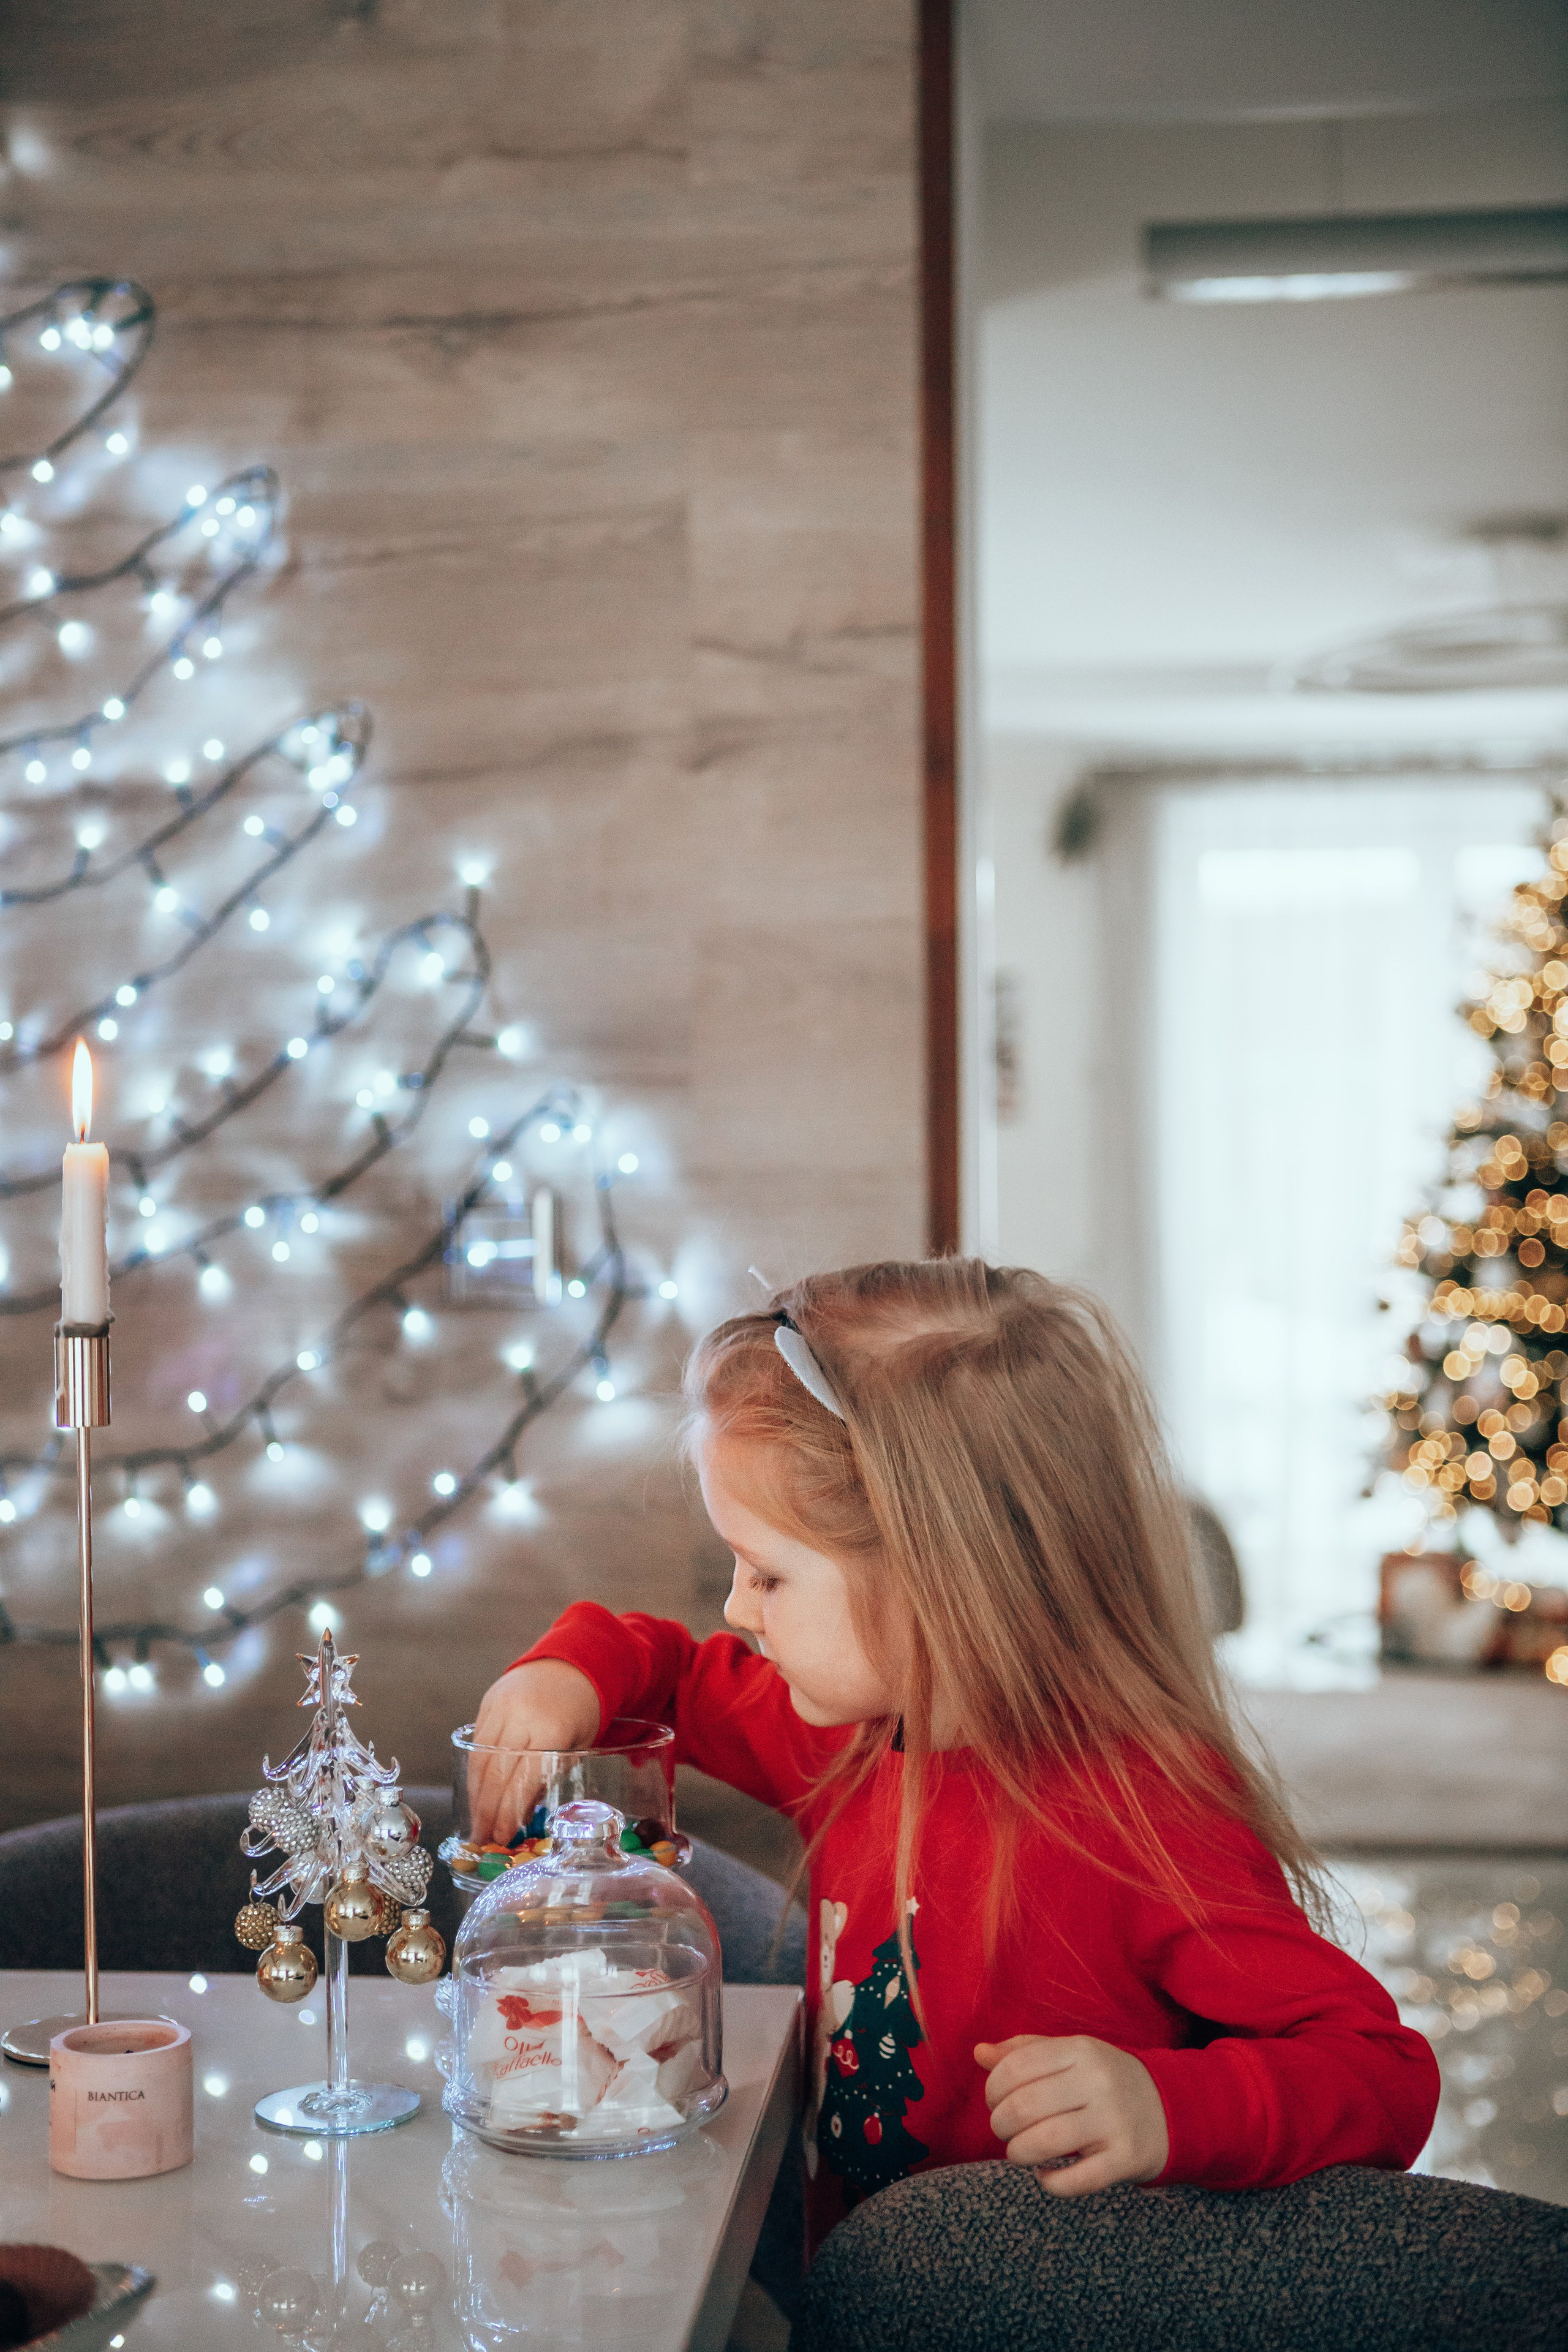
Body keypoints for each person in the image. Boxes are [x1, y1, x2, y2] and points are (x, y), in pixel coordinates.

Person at [470, 1259, 1439, 2251]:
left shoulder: (1139, 1813)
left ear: (943, 1575)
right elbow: (667, 1670)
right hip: (848, 2266)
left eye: (768, 1574)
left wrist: (1165, 2105)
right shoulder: (854, 1728)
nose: (733, 1608)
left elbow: (1380, 2070)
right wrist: (569, 1673)